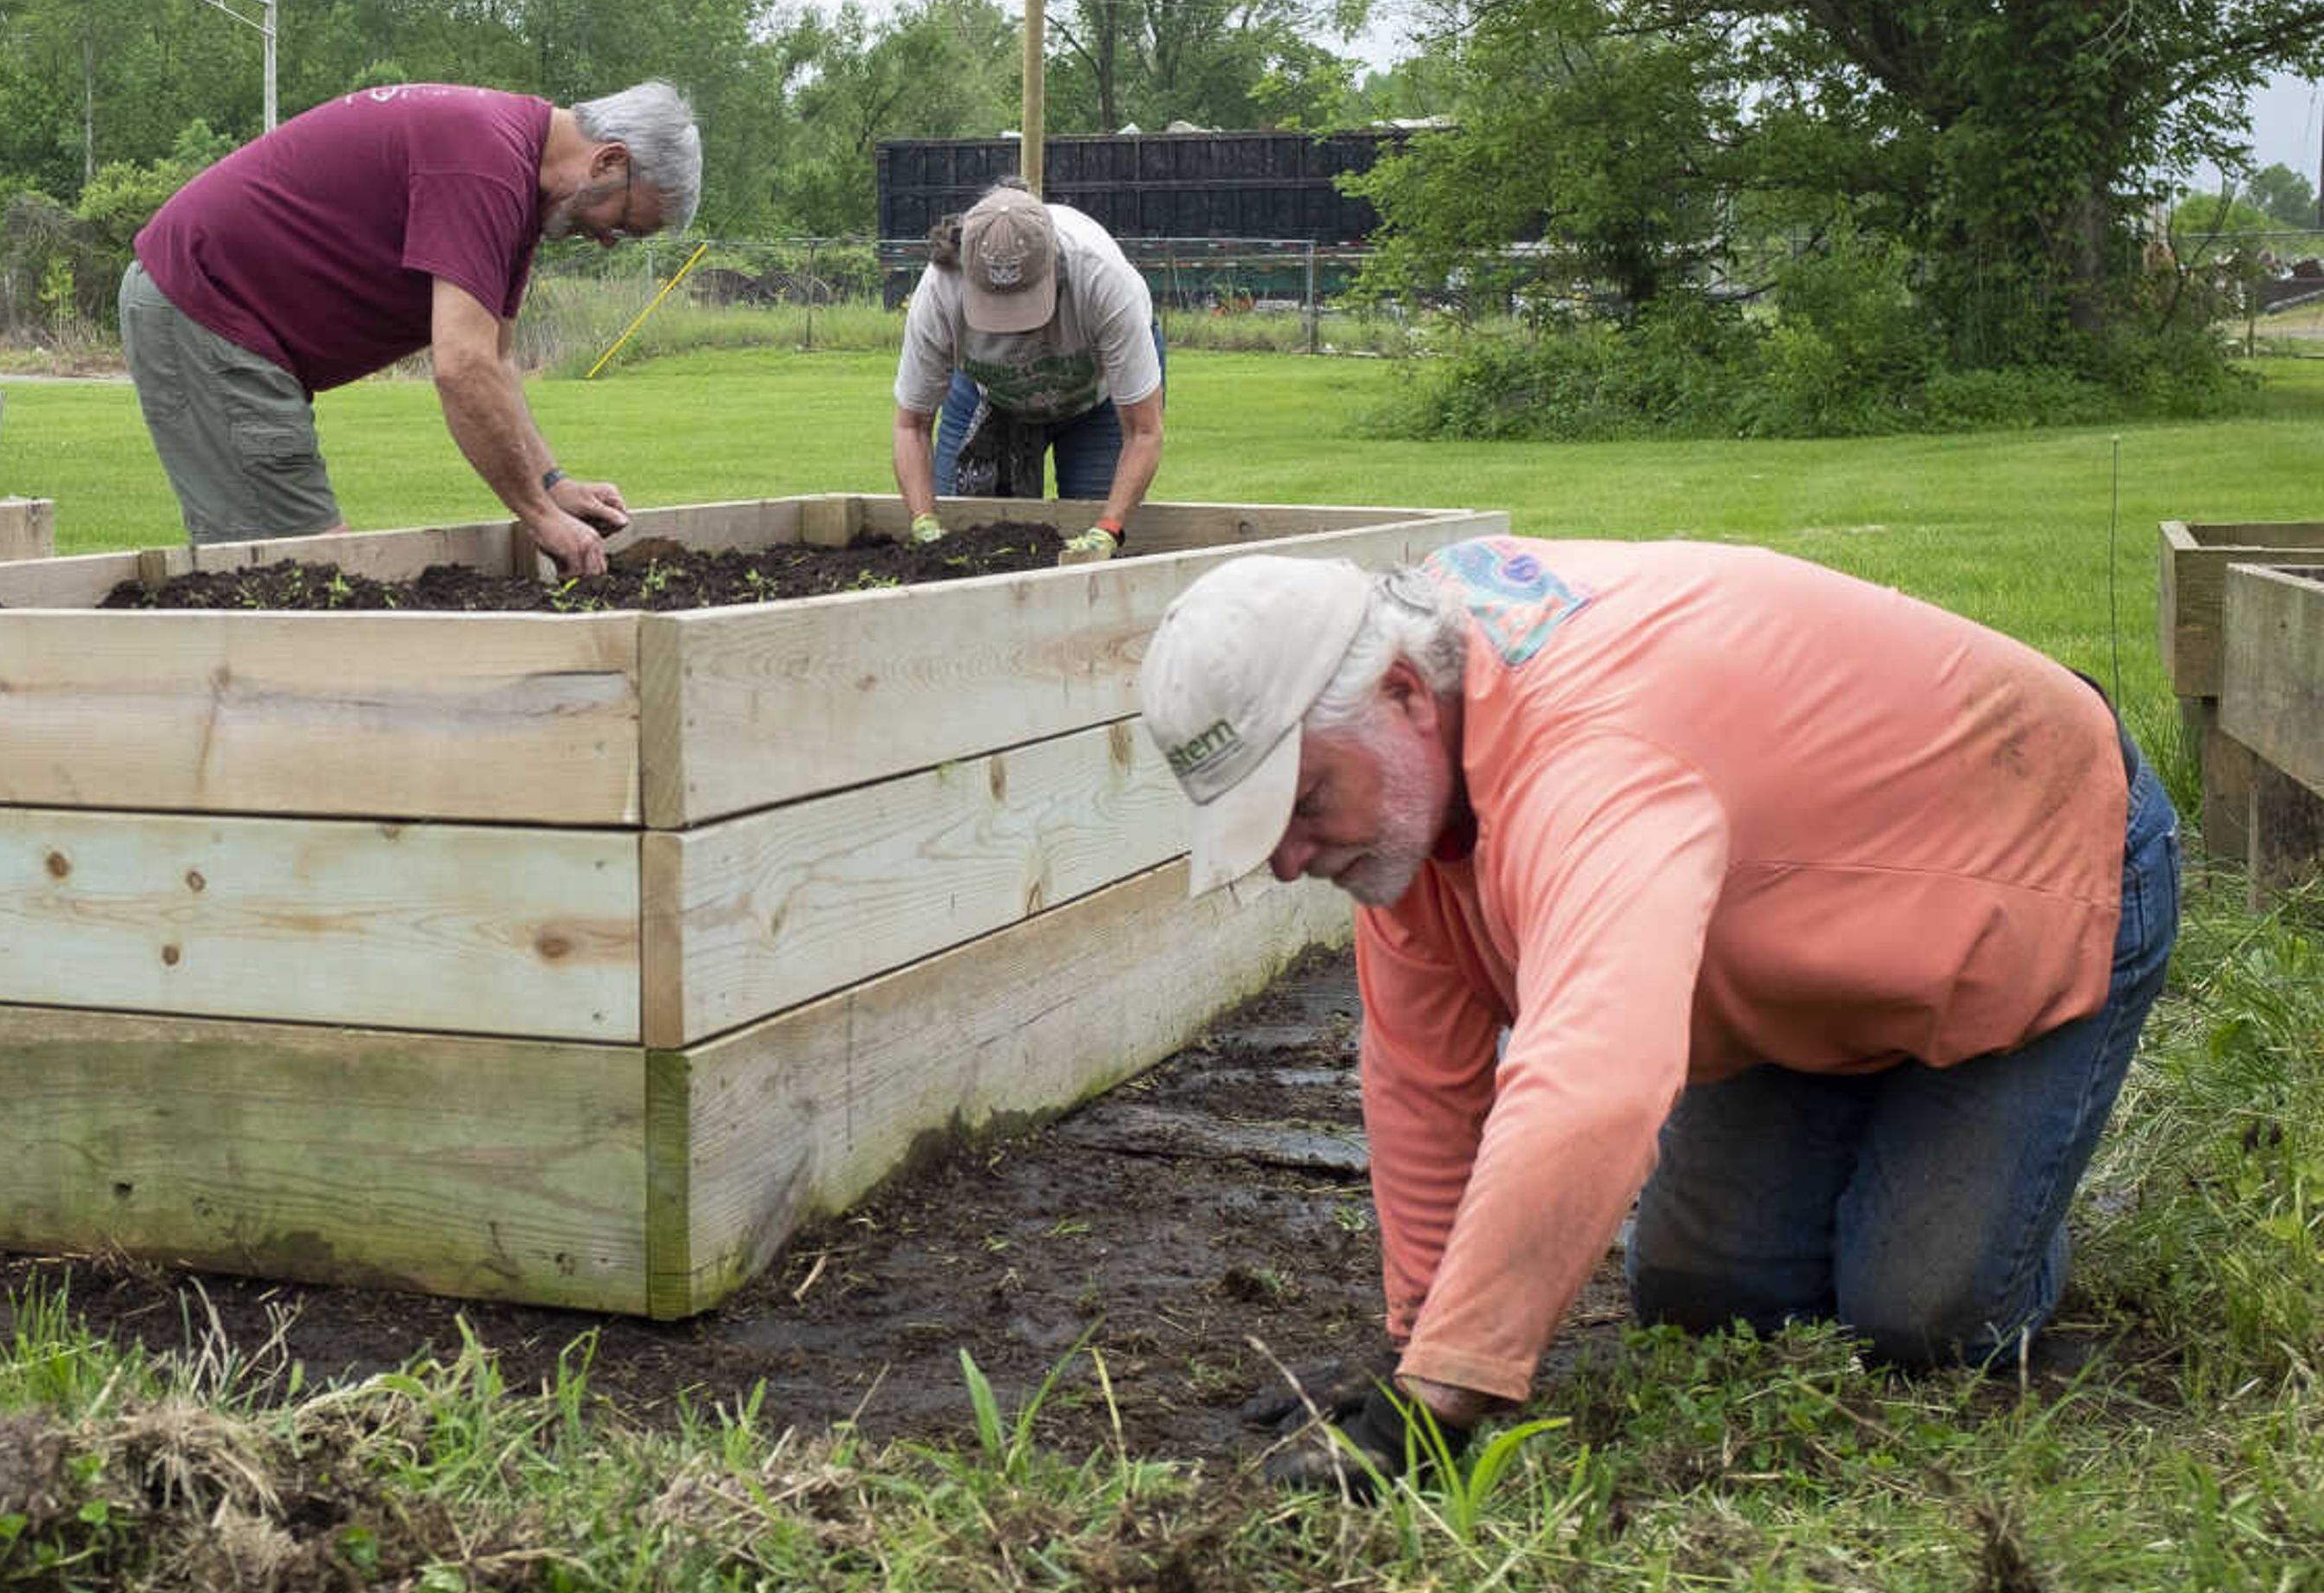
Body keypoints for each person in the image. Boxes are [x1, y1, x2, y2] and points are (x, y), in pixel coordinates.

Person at [1133, 538, 2181, 1490]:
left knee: (1921, 1316)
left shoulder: (1594, 756)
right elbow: (1420, 1076)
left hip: (2032, 861)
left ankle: (1992, 1179)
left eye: (1304, 803)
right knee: (1700, 1294)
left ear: (1404, 691)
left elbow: (1592, 1084)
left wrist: (1439, 1409)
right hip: (1809, 944)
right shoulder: (1411, 764)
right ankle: (1885, 1119)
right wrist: (1420, 1335)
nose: (1287, 860)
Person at [120, 81, 702, 576]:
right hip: (206, 306)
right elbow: (460, 367)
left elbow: (495, 359)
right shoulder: (485, 163)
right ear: (609, 161)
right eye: (625, 223)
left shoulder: (519, 176)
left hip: (224, 315)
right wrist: (541, 518)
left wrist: (553, 483)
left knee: (297, 585)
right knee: (301, 581)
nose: (607, 240)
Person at [892, 186, 1166, 564]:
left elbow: (1144, 431)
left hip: (1097, 399)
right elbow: (912, 425)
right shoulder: (940, 291)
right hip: (987, 393)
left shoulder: (1102, 279)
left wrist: (1108, 529)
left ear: (1054, 265)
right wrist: (924, 524)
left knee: (1095, 546)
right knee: (967, 542)